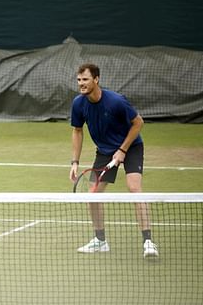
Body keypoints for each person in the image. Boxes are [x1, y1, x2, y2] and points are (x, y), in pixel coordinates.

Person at [69, 63, 159, 258]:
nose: (81, 84)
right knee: (92, 195)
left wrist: (122, 150)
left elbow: (138, 123)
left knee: (134, 188)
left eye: (85, 79)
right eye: (78, 80)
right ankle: (100, 241)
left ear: (96, 79)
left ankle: (148, 242)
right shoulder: (78, 103)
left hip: (131, 146)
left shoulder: (116, 101)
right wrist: (74, 161)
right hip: (104, 151)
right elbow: (77, 131)